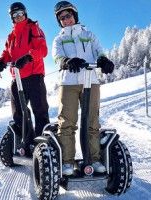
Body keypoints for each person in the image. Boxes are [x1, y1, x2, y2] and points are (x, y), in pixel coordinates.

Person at [52, 1, 115, 175]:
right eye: (62, 18)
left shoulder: (89, 35)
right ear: (60, 21)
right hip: (69, 83)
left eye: (68, 15)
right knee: (67, 123)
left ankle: (94, 159)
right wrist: (66, 62)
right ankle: (67, 162)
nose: (66, 20)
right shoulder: (59, 39)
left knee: (92, 122)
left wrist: (103, 60)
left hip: (91, 82)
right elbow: (57, 57)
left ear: (75, 15)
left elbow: (99, 51)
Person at [0, 2, 50, 153]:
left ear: (25, 13)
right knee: (19, 113)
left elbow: (42, 50)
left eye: (20, 14)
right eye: (15, 15)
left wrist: (28, 57)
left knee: (40, 111)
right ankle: (27, 142)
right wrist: (1, 61)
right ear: (12, 18)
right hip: (17, 78)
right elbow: (7, 52)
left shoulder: (33, 28)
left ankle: (42, 145)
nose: (18, 17)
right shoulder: (11, 36)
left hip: (34, 76)